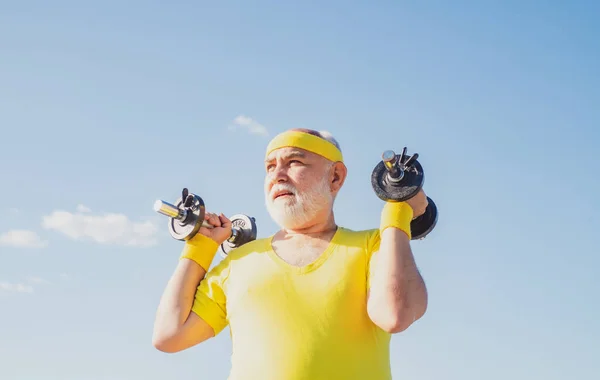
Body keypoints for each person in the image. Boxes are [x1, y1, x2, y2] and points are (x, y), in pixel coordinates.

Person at [152, 128, 430, 379]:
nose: (277, 175)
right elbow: (169, 335)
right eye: (270, 167)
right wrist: (200, 246)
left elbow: (395, 314)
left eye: (294, 162)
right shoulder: (240, 261)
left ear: (335, 177)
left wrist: (398, 209)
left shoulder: (373, 245)